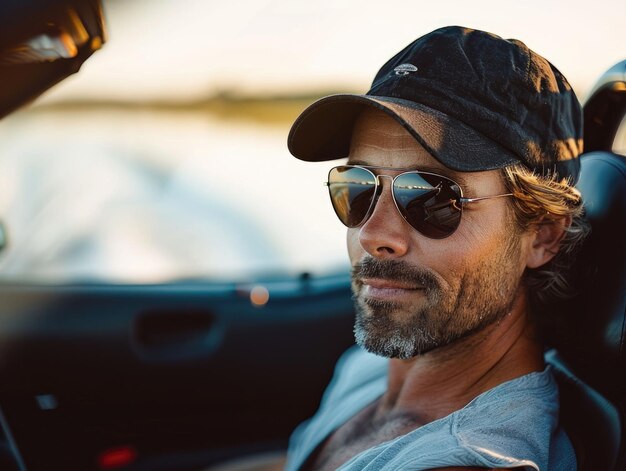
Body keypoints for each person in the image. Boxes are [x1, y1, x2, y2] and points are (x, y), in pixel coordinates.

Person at [281, 26, 587, 471]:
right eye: (358, 186)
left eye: (430, 197)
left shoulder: (474, 456)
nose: (372, 234)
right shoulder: (372, 368)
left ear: (542, 234)